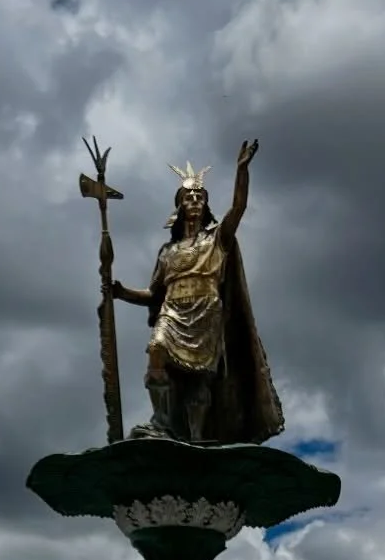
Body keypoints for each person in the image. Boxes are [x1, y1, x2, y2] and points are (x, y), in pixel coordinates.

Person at [111, 144, 285, 445]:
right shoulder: (168, 252)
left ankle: (196, 437)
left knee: (199, 378)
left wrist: (242, 171)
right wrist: (121, 292)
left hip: (207, 310)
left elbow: (239, 208)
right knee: (156, 348)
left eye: (199, 197)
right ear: (178, 206)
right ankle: (162, 423)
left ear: (205, 204)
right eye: (188, 197)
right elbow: (154, 294)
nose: (194, 200)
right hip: (172, 309)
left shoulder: (218, 239)